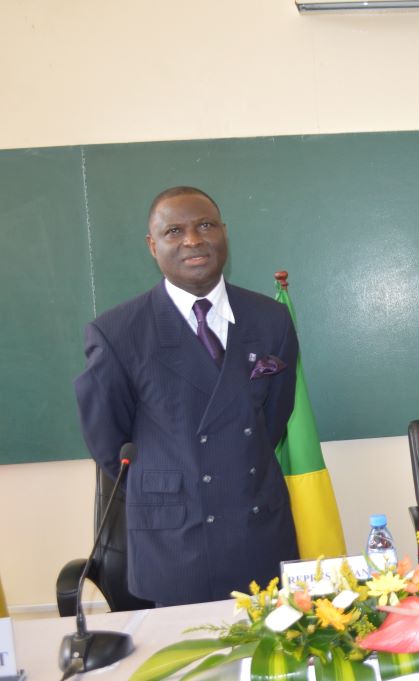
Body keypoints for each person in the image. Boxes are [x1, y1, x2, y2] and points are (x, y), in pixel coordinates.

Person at [74, 186, 299, 605]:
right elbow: (110, 445)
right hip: (176, 542)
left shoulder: (272, 319)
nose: (193, 240)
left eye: (206, 225)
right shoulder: (117, 332)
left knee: (270, 646)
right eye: (174, 231)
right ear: (152, 245)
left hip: (259, 526)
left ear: (224, 233)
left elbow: (274, 417)